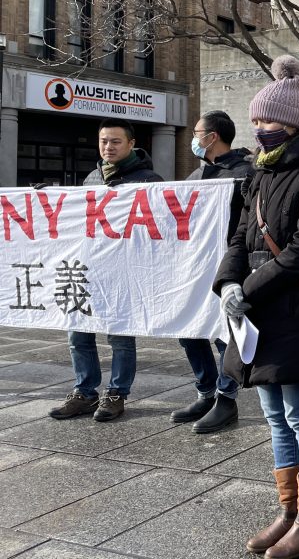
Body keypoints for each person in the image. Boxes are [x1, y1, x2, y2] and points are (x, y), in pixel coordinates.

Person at [214, 55, 299, 559]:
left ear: (291, 124)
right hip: (255, 313)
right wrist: (227, 283)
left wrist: (248, 288)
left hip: (294, 308)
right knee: (273, 415)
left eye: (267, 121)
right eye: (256, 121)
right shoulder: (260, 175)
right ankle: (289, 509)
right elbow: (238, 236)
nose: (258, 129)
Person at [48, 118, 162, 422]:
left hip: (124, 272)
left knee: (120, 336)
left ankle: (117, 393)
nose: (108, 147)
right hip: (88, 269)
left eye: (115, 142)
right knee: (78, 334)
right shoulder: (91, 179)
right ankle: (85, 391)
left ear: (131, 144)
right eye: (103, 141)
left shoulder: (149, 180)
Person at [170, 110, 253, 434]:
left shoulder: (243, 174)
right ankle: (205, 392)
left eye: (197, 132)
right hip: (194, 268)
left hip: (227, 268)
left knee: (225, 336)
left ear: (212, 136)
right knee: (189, 331)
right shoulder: (197, 177)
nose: (194, 137)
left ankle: (225, 398)